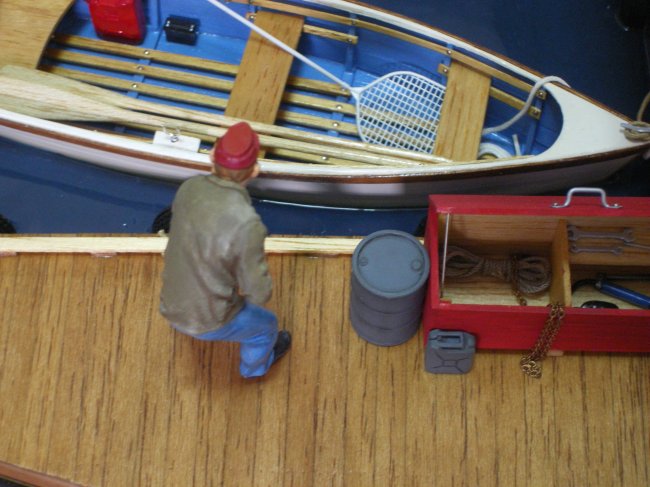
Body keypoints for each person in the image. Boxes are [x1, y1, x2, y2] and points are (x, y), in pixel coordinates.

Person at [159, 121, 291, 378]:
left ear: (211, 156)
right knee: (266, 327)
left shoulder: (189, 188)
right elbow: (259, 292)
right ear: (255, 170)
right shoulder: (247, 223)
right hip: (208, 321)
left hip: (171, 305)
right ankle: (254, 369)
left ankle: (183, 325)